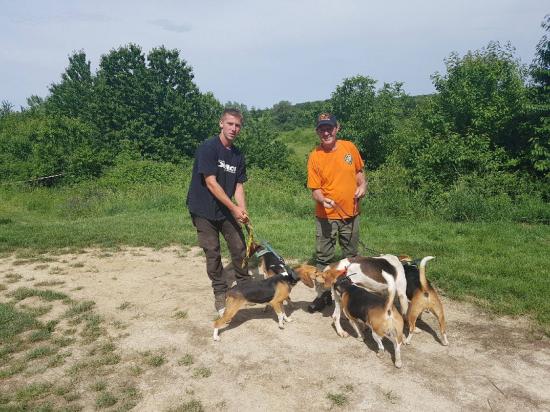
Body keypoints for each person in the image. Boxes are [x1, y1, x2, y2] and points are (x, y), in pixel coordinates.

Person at [186, 108, 251, 316]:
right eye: (230, 124)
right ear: (221, 124)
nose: (234, 129)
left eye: (237, 125)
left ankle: (244, 285)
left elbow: (239, 186)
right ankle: (220, 292)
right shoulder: (208, 148)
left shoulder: (238, 155)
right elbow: (211, 183)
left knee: (240, 247)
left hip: (225, 209)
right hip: (202, 209)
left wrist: (242, 210)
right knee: (212, 251)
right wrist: (234, 208)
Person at [306, 113, 367, 313]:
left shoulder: (349, 148)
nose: (326, 132)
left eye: (329, 128)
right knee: (324, 258)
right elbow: (315, 190)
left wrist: (363, 186)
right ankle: (324, 297)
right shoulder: (315, 156)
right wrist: (324, 199)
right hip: (325, 217)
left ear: (336, 128)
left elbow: (359, 173)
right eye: (322, 129)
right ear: (317, 131)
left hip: (350, 214)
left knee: (351, 257)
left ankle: (354, 296)